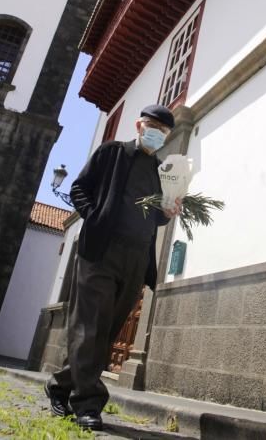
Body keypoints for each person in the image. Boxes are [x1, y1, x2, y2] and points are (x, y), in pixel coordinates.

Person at [44, 104, 180, 431]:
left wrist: (169, 210)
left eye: (163, 132)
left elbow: (157, 216)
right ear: (138, 125)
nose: (156, 134)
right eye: (152, 127)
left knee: (105, 332)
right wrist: (95, 218)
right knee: (90, 325)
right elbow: (79, 188)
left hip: (136, 258)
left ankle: (60, 384)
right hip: (101, 252)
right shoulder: (111, 153)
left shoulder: (161, 171)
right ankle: (87, 405)